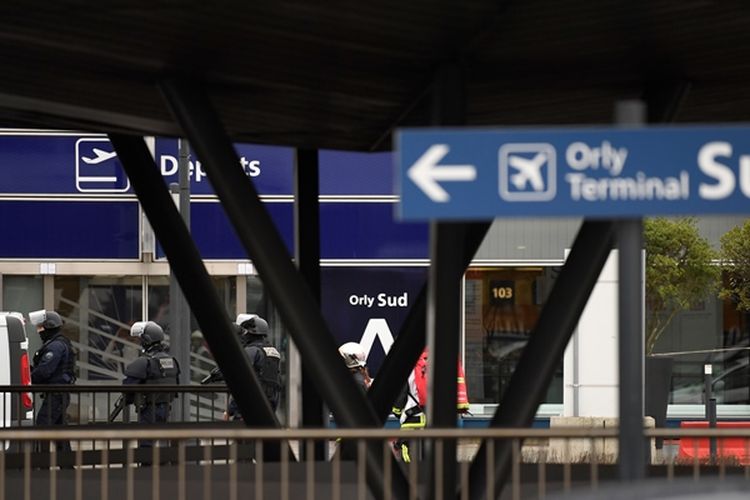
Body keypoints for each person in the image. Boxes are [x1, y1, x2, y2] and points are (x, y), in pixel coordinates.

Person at [121, 321, 180, 450]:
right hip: (165, 408)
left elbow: (128, 386)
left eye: (141, 339)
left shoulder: (145, 362)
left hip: (149, 409)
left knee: (146, 445)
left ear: (146, 340)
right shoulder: (171, 361)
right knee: (162, 444)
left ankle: (147, 469)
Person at [28, 309, 76, 452]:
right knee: (59, 432)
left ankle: (41, 466)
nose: (38, 331)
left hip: (56, 395)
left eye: (40, 327)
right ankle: (67, 467)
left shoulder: (55, 346)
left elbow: (44, 371)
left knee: (42, 428)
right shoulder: (56, 343)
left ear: (49, 327)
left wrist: (28, 379)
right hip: (57, 394)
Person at [226, 314, 282, 420]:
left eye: (245, 331)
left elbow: (242, 380)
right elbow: (276, 382)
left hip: (249, 406)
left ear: (251, 332)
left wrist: (231, 409)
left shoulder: (251, 351)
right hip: (269, 406)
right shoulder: (274, 352)